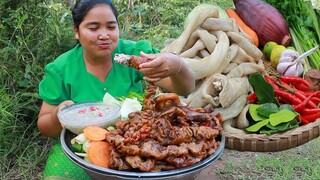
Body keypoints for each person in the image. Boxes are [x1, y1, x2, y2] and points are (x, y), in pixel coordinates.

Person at [37, 0, 195, 179]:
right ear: (76, 31)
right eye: (94, 28)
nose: (104, 35)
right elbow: (44, 127)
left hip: (137, 141)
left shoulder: (133, 54)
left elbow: (185, 88)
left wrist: (177, 66)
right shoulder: (61, 69)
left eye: (111, 27)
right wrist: (59, 113)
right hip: (82, 146)